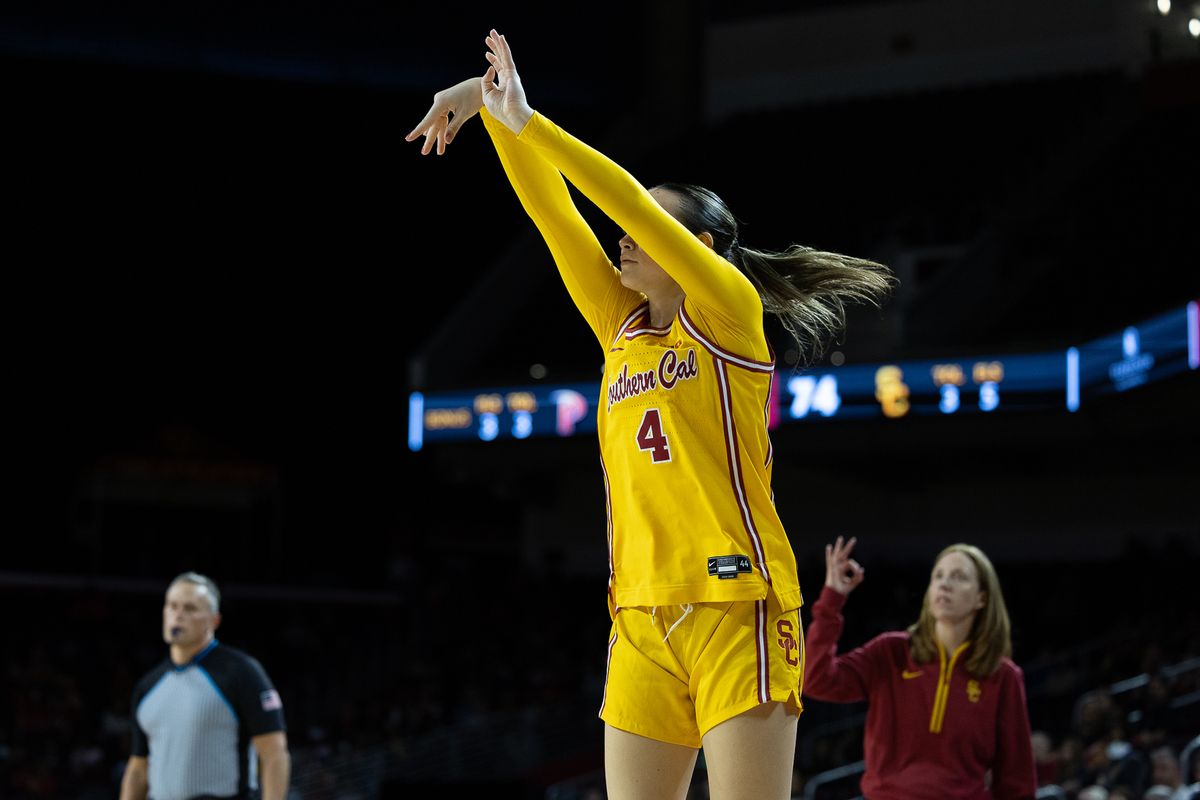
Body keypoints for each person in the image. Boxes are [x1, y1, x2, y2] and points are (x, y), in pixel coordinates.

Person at [406, 30, 893, 800]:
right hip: (638, 613)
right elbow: (555, 215)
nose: (623, 240)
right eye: (628, 236)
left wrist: (530, 122)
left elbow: (622, 198)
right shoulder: (618, 324)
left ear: (695, 246)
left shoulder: (729, 311)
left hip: (740, 606)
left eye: (646, 233)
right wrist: (489, 108)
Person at [804, 537, 1036, 799]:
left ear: (982, 598)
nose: (944, 584)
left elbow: (1017, 782)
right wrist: (832, 598)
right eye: (938, 576)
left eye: (959, 577)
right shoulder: (891, 652)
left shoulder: (1003, 677)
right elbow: (815, 679)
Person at [118, 572, 290, 800]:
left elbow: (274, 754)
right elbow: (139, 769)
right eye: (172, 606)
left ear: (214, 620)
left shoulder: (241, 672)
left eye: (190, 608)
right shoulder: (148, 686)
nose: (178, 615)